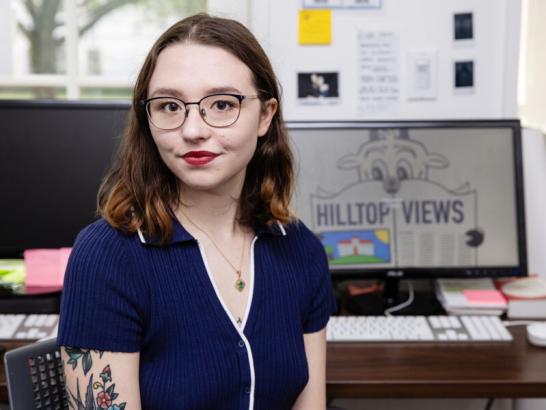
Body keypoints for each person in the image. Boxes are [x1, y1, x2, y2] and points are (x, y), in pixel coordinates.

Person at [57, 13, 336, 410]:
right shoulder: (108, 257)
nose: (192, 129)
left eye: (222, 104)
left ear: (266, 115)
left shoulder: (301, 250)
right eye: (170, 106)